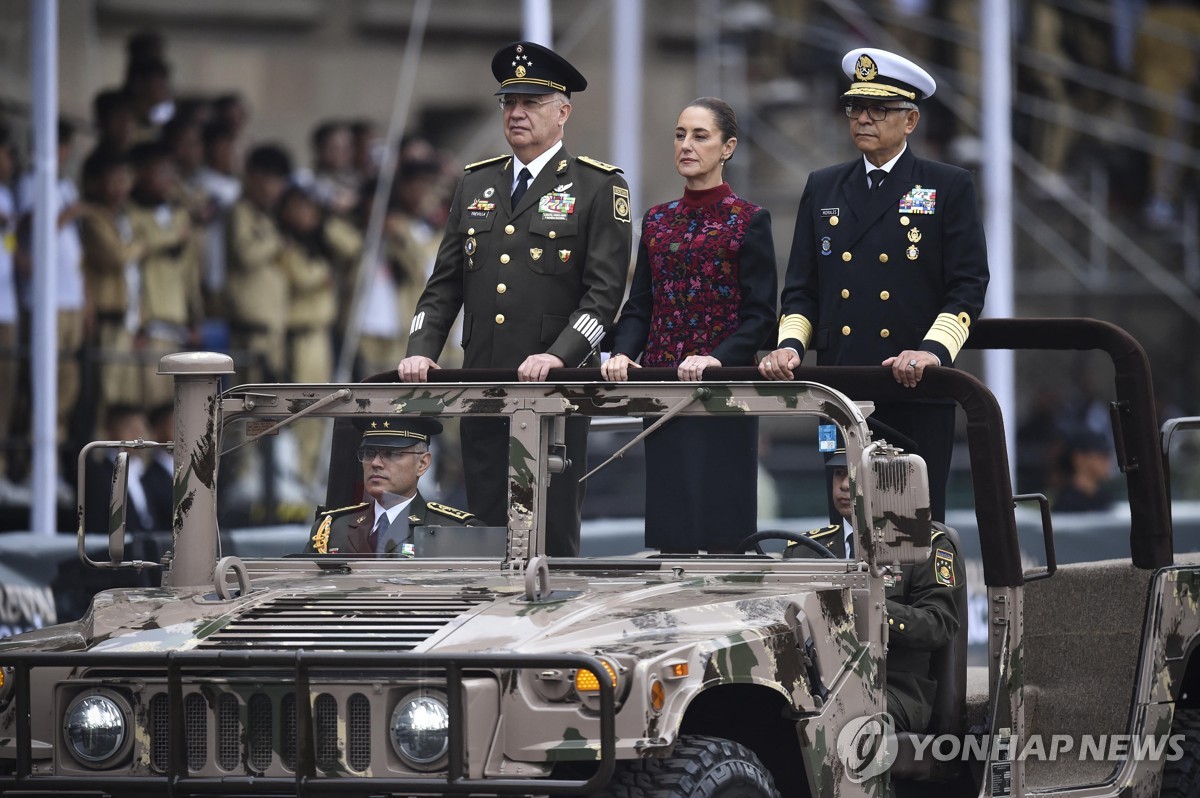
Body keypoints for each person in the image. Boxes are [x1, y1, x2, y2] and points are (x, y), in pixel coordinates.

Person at [397, 41, 633, 557]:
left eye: (531, 102)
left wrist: (561, 356)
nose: (517, 113)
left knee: (548, 532)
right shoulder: (476, 183)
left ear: (562, 112)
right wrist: (422, 348)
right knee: (484, 522)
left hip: (552, 387)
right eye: (509, 102)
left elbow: (603, 295)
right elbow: (444, 284)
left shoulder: (597, 186)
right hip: (482, 381)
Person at [758, 48, 989, 523]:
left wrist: (932, 352)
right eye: (855, 107)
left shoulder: (946, 185)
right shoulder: (824, 186)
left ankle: (920, 602)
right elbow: (802, 288)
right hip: (842, 385)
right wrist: (788, 345)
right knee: (845, 516)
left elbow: (967, 286)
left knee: (916, 524)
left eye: (878, 109)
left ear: (910, 120)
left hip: (915, 385)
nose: (863, 118)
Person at [602, 98, 776, 553]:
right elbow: (641, 305)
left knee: (723, 524)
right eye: (680, 135)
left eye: (700, 136)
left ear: (728, 147)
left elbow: (760, 317)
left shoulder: (750, 220)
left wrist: (716, 358)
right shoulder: (657, 221)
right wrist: (622, 351)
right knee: (671, 523)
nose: (686, 145)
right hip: (663, 387)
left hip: (725, 389)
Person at [784, 448, 964, 734]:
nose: (844, 484)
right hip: (815, 682)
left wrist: (867, 607)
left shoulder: (923, 548)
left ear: (884, 483)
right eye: (839, 474)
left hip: (891, 687)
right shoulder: (805, 551)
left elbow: (938, 626)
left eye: (855, 475)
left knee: (841, 717)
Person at [303, 418, 478, 556]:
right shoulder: (332, 529)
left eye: (391, 453)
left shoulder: (454, 532)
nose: (376, 463)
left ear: (422, 463)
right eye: (369, 453)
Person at [1053, 429, 1115, 513]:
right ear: (1079, 458)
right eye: (1100, 454)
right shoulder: (1066, 504)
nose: (1106, 460)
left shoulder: (1105, 498)